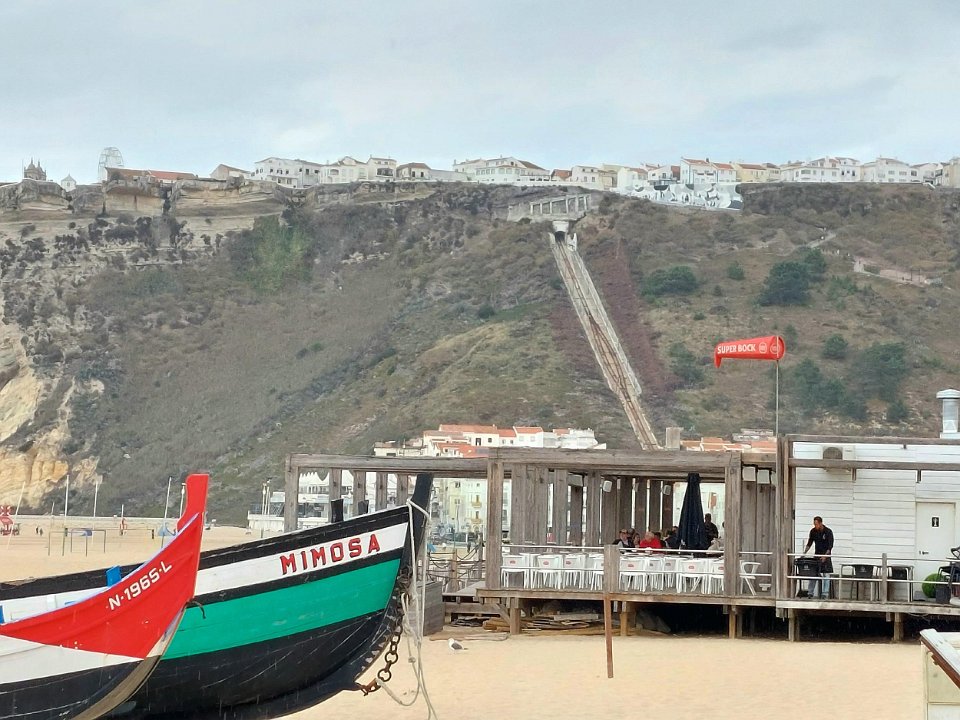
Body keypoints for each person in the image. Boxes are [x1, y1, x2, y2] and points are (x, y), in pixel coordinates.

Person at [803, 516, 834, 598]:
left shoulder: (828, 532)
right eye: (814, 524)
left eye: (816, 524)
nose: (815, 526)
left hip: (826, 555)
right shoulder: (813, 531)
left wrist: (825, 556)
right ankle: (810, 592)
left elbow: (830, 546)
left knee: (826, 574)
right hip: (817, 555)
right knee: (813, 573)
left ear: (820, 523)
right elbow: (810, 543)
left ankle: (825, 593)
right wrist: (804, 553)